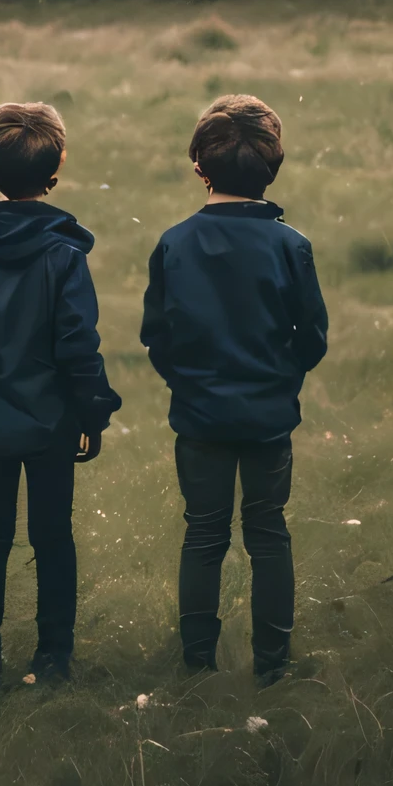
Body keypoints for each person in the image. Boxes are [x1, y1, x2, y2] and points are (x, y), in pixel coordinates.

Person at [140, 94, 327, 682]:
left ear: (199, 165)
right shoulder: (290, 245)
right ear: (274, 168)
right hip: (270, 417)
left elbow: (157, 334)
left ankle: (197, 663)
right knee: (269, 531)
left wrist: (189, 383)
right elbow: (313, 336)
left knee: (204, 532)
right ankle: (273, 664)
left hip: (199, 418)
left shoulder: (174, 243)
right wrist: (281, 377)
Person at [0, 102, 121, 691]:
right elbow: (77, 344)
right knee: (52, 535)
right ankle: (53, 655)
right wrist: (94, 411)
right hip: (50, 423)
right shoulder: (65, 255)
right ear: (57, 167)